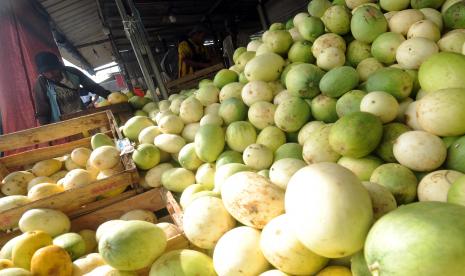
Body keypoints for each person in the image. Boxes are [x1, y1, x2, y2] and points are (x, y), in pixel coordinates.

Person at [33, 52, 110, 125]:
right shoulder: (41, 83)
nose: (51, 75)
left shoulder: (72, 72)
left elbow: (92, 86)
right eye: (46, 72)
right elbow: (42, 109)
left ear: (59, 67)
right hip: (63, 124)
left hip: (83, 116)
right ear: (42, 73)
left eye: (53, 70)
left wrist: (109, 95)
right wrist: (46, 127)